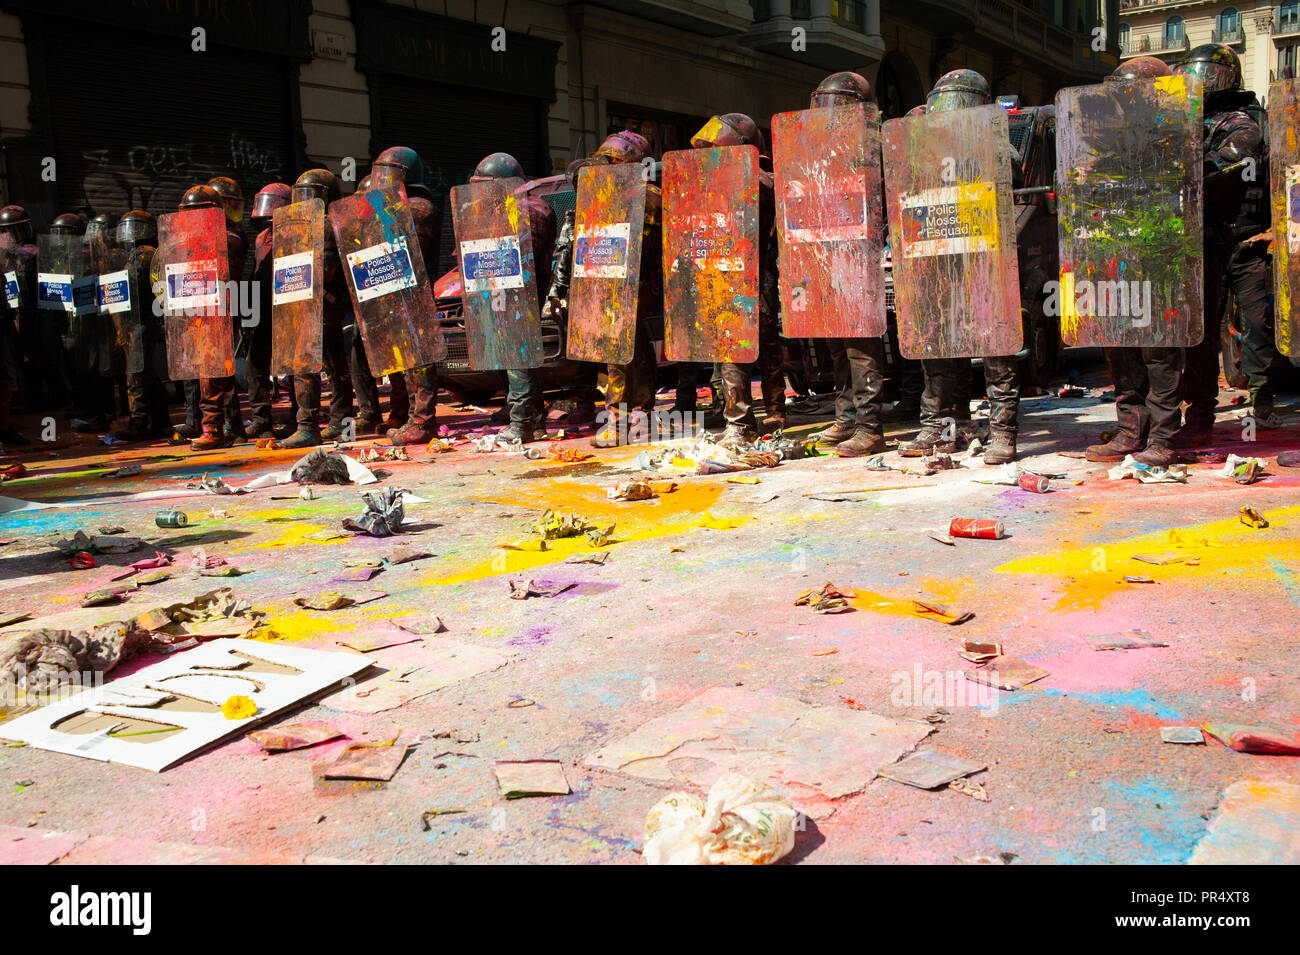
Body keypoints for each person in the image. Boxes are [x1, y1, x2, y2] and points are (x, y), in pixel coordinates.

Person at [899, 69, 1020, 465]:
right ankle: (938, 427)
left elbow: (1009, 180)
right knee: (935, 347)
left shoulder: (996, 144)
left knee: (995, 349)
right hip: (938, 263)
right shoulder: (925, 149)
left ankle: (1003, 432)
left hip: (985, 263)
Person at [1085, 55, 1189, 464]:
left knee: (1159, 351)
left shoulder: (1175, 135)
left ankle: (1163, 438)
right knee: (1123, 347)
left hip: (1161, 257)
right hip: (1118, 257)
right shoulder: (1110, 141)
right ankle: (1132, 431)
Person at [1170, 42, 1263, 457]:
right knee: (1164, 334)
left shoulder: (1239, 123)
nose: (1200, 82)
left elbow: (1225, 164)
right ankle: (1159, 418)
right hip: (1165, 238)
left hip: (1211, 237)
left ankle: (1200, 417)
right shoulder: (1175, 119)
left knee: (1200, 332)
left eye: (1205, 74)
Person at [548, 130, 662, 448]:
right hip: (612, 279)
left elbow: (640, 245)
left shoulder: (645, 195)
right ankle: (639, 413)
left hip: (625, 283)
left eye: (610, 161)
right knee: (633, 348)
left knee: (619, 351)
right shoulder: (605, 193)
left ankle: (619, 419)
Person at [802, 71, 889, 458]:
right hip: (825, 254)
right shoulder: (816, 146)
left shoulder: (874, 141)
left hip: (858, 256)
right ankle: (848, 417)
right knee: (837, 343)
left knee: (859, 344)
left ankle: (870, 428)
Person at [687, 112, 784, 449]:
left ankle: (771, 412)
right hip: (723, 275)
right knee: (732, 346)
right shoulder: (713, 181)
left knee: (765, 345)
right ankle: (741, 421)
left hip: (758, 275)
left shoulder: (763, 180)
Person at [110, 210, 171, 442]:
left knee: (136, 373)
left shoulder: (145, 254)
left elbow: (134, 285)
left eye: (136, 228)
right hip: (140, 321)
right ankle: (160, 422)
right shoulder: (137, 254)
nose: (131, 234)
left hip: (141, 321)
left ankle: (140, 421)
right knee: (148, 374)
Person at [247, 182, 292, 440]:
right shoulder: (262, 238)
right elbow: (256, 273)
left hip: (288, 309)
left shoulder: (296, 234)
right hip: (263, 307)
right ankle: (261, 419)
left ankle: (299, 418)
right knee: (256, 364)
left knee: (294, 365)